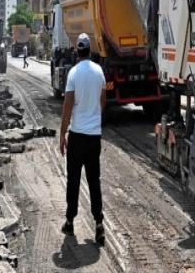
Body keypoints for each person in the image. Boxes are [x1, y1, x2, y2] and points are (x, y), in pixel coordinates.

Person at [59, 33, 106, 245]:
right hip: (94, 136)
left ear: (77, 51)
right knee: (94, 180)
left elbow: (67, 106)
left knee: (74, 180)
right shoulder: (99, 72)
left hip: (77, 136)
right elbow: (103, 101)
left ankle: (69, 221)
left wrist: (62, 133)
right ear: (90, 50)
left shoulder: (73, 74)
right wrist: (94, 116)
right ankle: (98, 224)